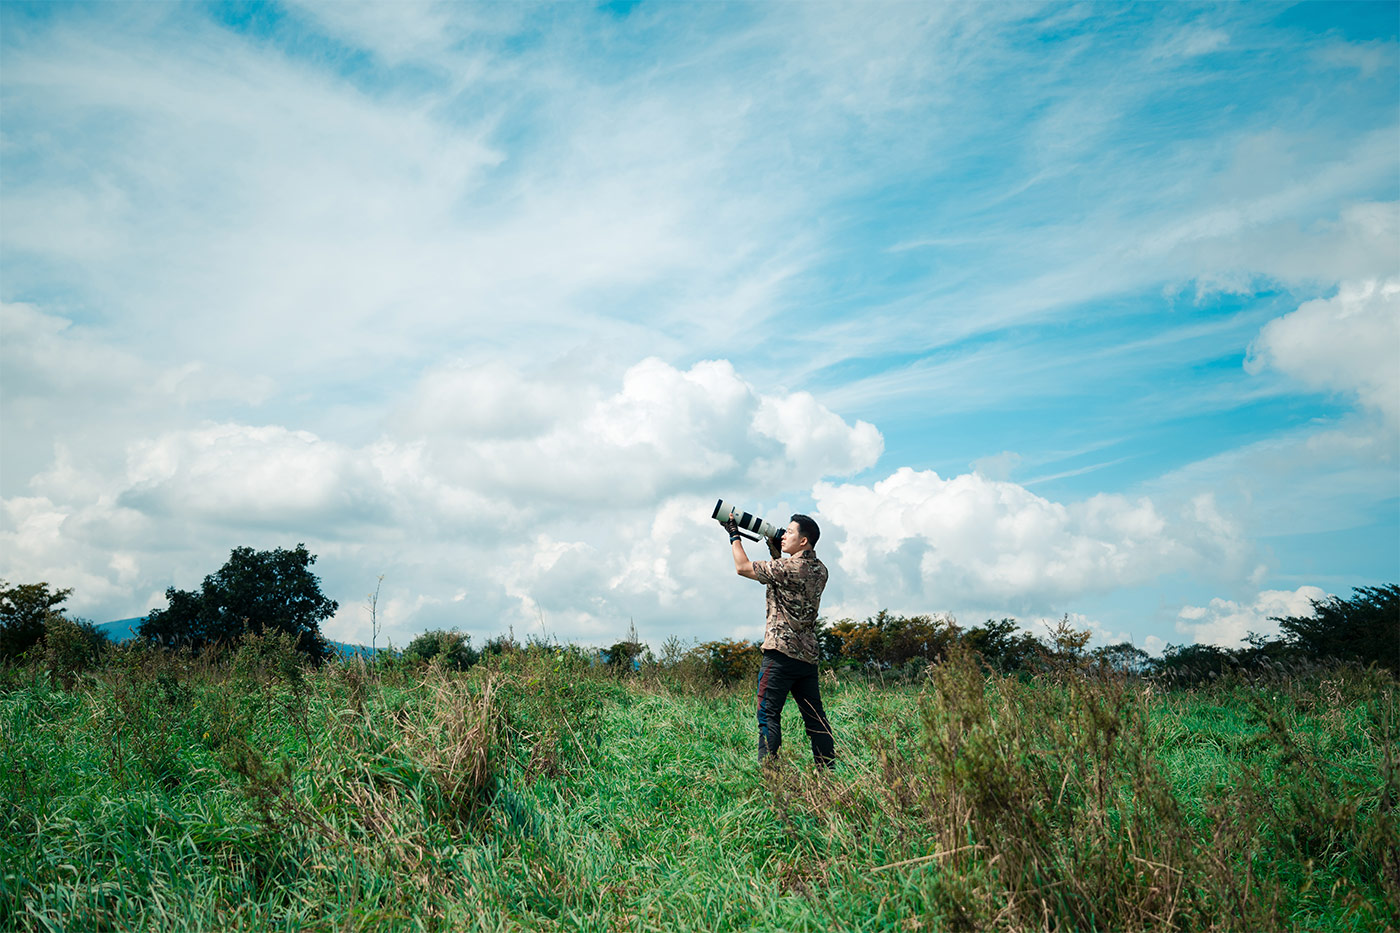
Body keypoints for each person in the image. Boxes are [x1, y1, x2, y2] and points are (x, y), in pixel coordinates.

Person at [725, 512, 835, 768]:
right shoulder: (821, 570)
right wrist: (778, 551)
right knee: (815, 718)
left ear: (804, 541)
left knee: (768, 713)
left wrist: (734, 534)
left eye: (789, 532)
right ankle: (828, 772)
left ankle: (770, 775)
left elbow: (742, 568)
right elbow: (787, 581)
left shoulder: (789, 567)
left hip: (780, 654)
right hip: (807, 658)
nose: (784, 535)